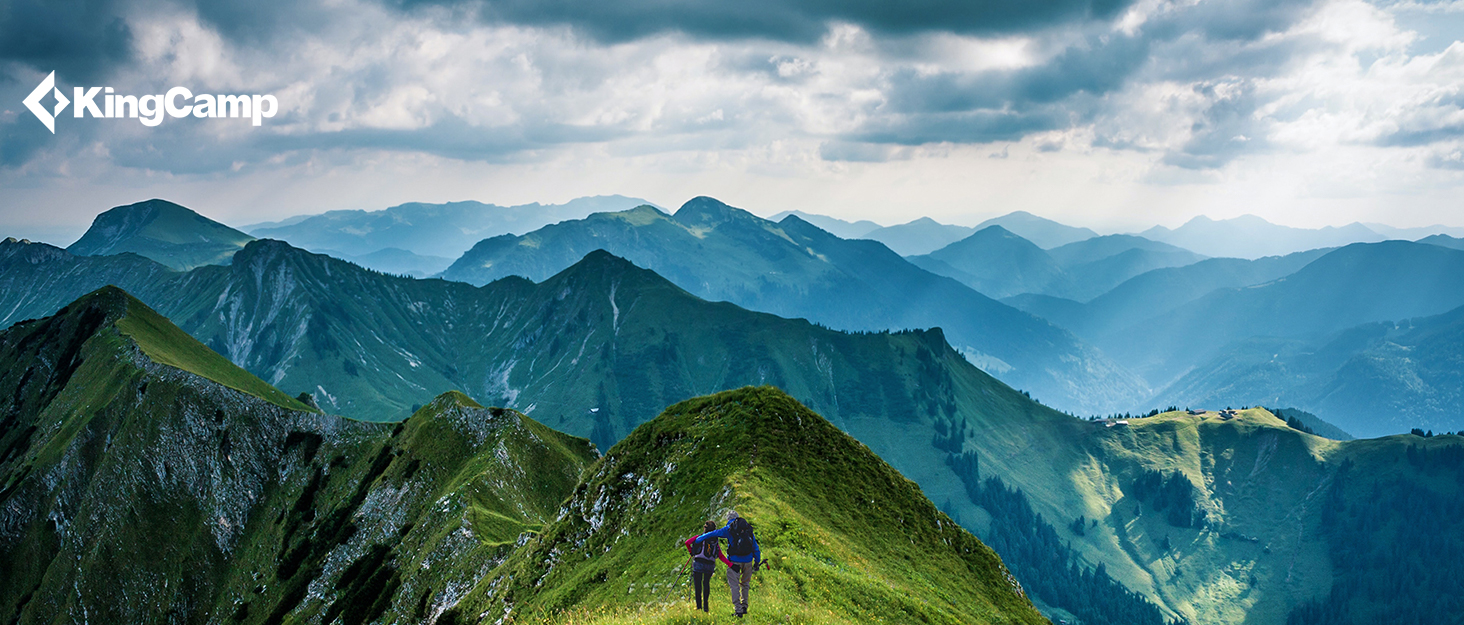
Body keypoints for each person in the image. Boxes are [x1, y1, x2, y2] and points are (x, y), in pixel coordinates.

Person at [693, 510, 762, 617]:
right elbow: (755, 547)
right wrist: (757, 562)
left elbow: (713, 533)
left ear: (728, 519)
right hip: (748, 560)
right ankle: (744, 606)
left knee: (734, 585)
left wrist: (698, 539)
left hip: (734, 561)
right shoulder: (747, 529)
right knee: (745, 584)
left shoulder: (728, 529)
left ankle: (738, 610)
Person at [684, 520, 735, 613]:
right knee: (706, 584)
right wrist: (731, 565)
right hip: (709, 566)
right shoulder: (715, 541)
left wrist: (691, 552)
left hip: (698, 563)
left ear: (705, 528)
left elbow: (687, 542)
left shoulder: (698, 537)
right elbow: (720, 555)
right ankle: (706, 608)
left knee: (698, 586)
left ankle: (699, 607)